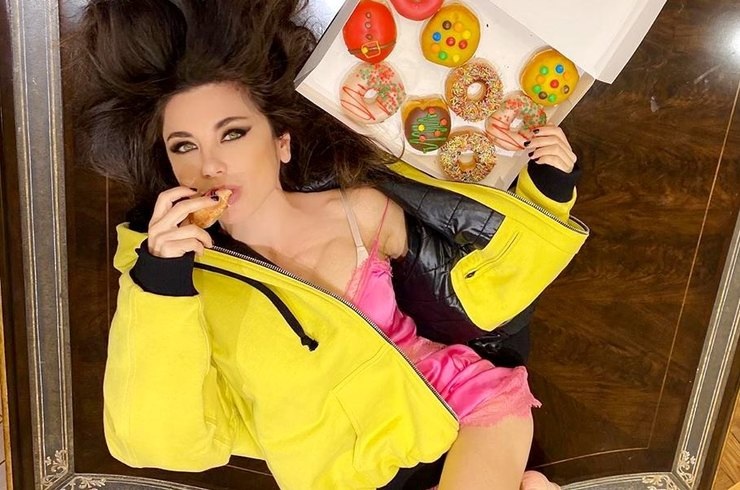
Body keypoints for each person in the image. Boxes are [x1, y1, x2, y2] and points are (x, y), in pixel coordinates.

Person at [69, 0, 588, 488]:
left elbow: (478, 291)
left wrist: (547, 191)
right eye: (184, 146)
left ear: (281, 142)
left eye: (232, 134)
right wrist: (160, 286)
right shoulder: (179, 281)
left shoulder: (357, 209)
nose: (210, 165)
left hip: (461, 404)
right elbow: (157, 442)